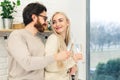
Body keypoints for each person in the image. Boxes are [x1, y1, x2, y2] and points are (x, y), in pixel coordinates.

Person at [7, 3, 71, 80]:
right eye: (44, 18)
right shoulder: (17, 35)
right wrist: (56, 57)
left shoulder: (39, 40)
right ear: (34, 17)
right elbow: (27, 63)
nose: (46, 22)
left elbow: (44, 63)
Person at [45, 12, 82, 80]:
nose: (57, 24)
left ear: (67, 22)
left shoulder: (67, 41)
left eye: (60, 20)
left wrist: (73, 67)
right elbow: (49, 66)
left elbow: (66, 65)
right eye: (54, 22)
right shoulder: (53, 38)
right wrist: (72, 61)